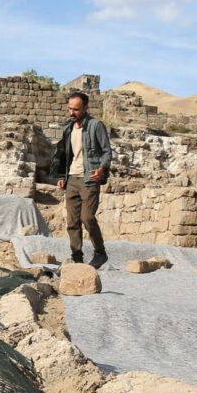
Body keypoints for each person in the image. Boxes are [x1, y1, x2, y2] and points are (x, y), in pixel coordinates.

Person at [51, 90, 112, 268]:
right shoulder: (68, 127)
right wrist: (62, 175)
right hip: (72, 179)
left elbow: (107, 151)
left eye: (76, 109)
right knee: (72, 222)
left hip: (89, 178)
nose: (72, 113)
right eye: (70, 108)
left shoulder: (95, 125)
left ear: (85, 108)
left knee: (87, 218)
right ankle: (77, 258)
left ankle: (100, 253)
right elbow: (64, 153)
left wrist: (101, 169)